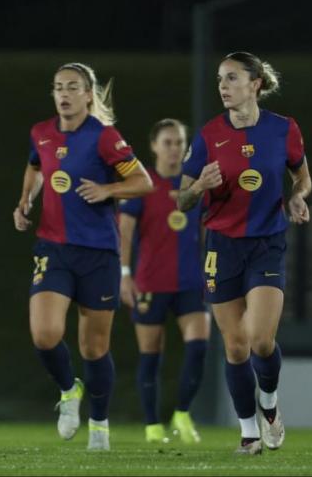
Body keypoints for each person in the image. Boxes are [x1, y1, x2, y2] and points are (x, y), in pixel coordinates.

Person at [178, 52, 312, 455]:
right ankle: (249, 433)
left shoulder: (283, 129)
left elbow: (302, 176)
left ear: (255, 84)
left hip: (267, 244)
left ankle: (269, 403)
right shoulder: (208, 135)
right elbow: (182, 200)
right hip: (221, 246)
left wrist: (299, 197)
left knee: (260, 340)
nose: (223, 86)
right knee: (235, 345)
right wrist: (199, 185)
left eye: (232, 78)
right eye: (220, 79)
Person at [13, 62, 152, 451]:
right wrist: (26, 198)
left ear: (88, 94)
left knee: (94, 347)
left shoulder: (105, 138)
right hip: (53, 248)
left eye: (73, 87)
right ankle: (67, 390)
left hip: (98, 254)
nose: (64, 94)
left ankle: (101, 424)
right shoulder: (41, 133)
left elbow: (143, 182)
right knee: (44, 335)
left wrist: (108, 191)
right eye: (58, 87)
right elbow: (35, 166)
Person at [118, 119, 209, 444]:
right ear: (154, 146)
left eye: (180, 143)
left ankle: (182, 413)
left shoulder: (194, 187)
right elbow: (125, 233)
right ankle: (153, 425)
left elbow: (204, 234)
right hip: (150, 283)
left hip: (190, 282)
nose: (175, 149)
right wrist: (124, 275)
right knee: (150, 354)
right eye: (168, 142)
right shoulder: (143, 184)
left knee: (199, 347)